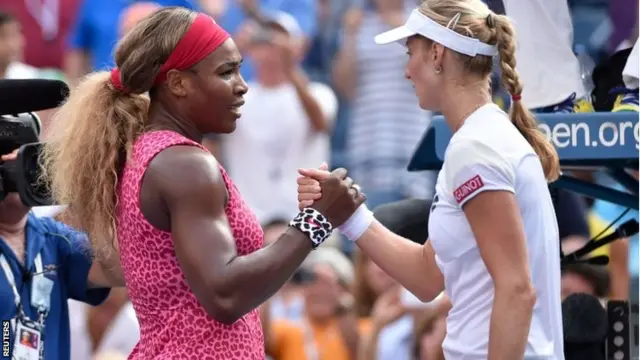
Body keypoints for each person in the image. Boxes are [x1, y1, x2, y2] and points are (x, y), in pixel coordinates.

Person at [41, 7, 364, 359]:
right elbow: (223, 295)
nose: (241, 86)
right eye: (226, 72)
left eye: (240, 69)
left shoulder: (151, 153)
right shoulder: (184, 164)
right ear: (178, 83)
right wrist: (316, 221)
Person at [297, 0, 565, 359]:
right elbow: (427, 278)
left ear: (437, 54)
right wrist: (348, 214)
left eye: (411, 52)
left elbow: (517, 290)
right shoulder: (479, 140)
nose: (406, 70)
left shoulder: (476, 148)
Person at [221, 10, 337, 224]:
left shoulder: (320, 92)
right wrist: (229, 57)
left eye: (279, 38)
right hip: (250, 222)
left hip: (307, 220)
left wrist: (290, 66)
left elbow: (320, 123)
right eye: (264, 39)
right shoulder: (235, 97)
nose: (271, 47)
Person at [0, 150, 113, 360]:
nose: (13, 165)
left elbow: (122, 266)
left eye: (22, 153)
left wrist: (99, 177)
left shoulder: (54, 239)